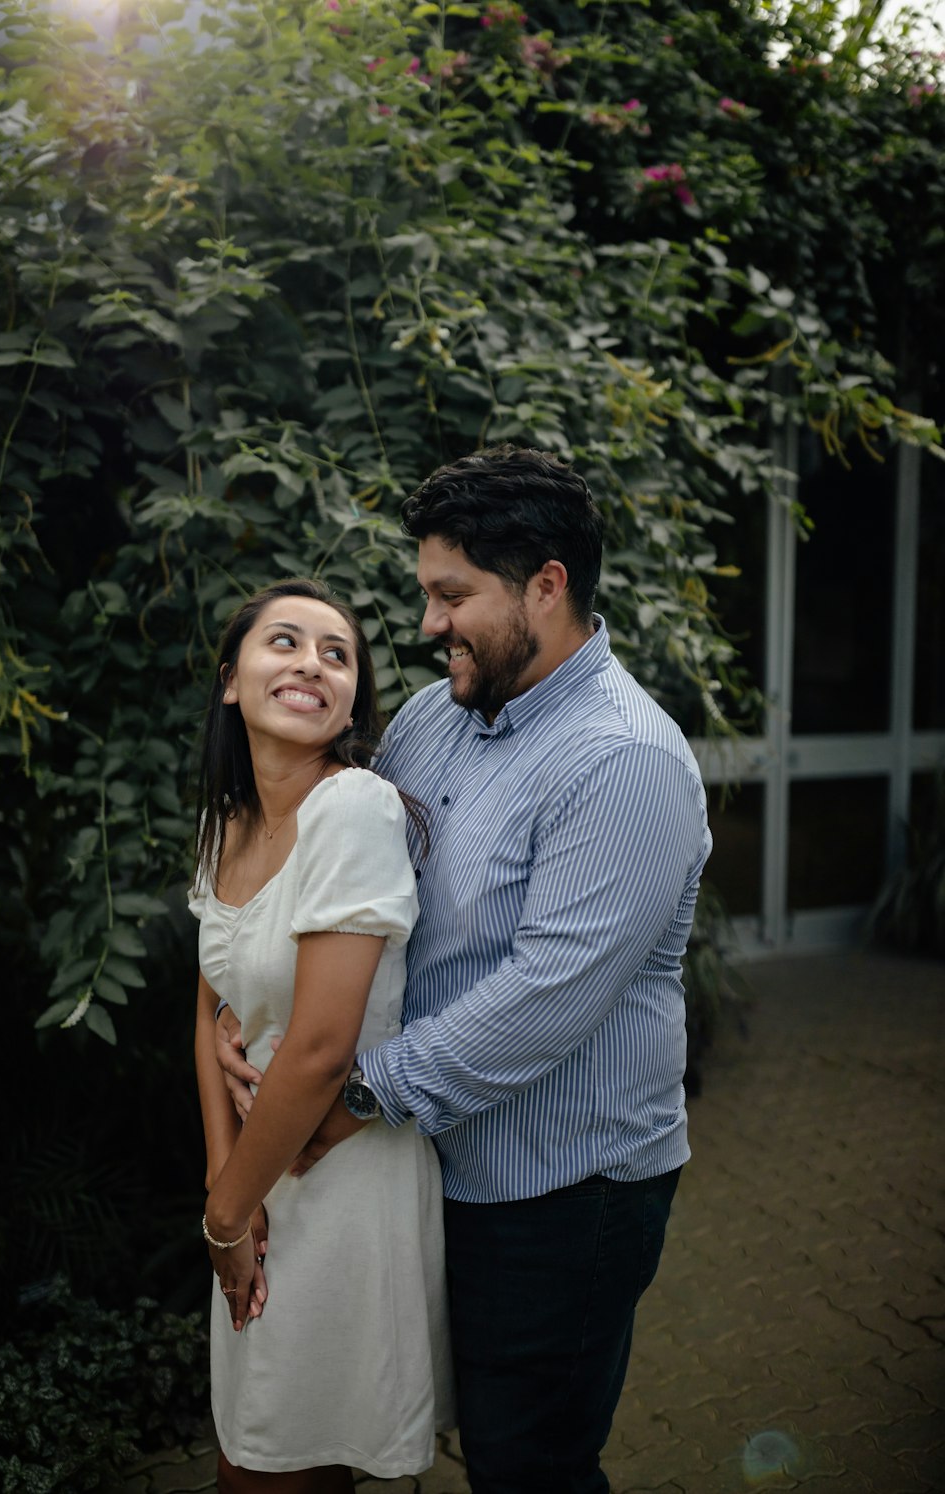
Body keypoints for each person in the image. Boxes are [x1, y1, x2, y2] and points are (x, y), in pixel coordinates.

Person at [217, 447, 712, 1494]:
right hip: (430, 1161)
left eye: (453, 596)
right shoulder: (436, 718)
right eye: (426, 594)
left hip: (561, 1188)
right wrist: (240, 994)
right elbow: (343, 892)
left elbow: (544, 997)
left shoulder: (624, 760)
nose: (430, 624)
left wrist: (349, 1094)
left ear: (546, 583)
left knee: (527, 1462)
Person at [189, 578, 453, 1494]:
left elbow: (318, 1050)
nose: (311, 663)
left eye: (336, 654)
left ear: (349, 699)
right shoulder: (226, 824)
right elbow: (208, 1010)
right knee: (262, 1451)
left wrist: (227, 1218)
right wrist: (228, 1194)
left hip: (338, 1180)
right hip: (259, 1183)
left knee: (269, 1465)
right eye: (286, 643)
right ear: (232, 681)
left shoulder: (354, 809)